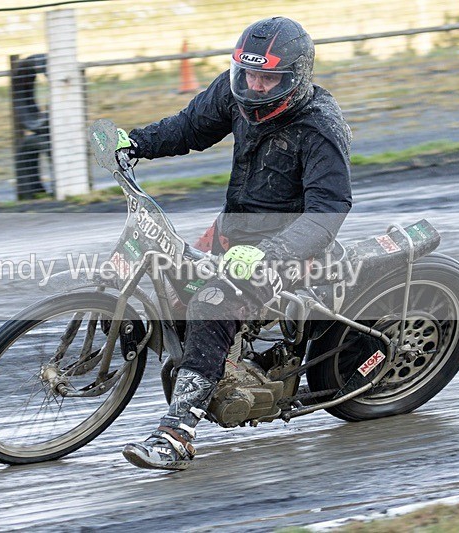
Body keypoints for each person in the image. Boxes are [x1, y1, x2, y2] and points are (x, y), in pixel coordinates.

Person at [118, 16, 353, 471]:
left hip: (293, 252)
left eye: (268, 78)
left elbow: (328, 212)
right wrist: (135, 143)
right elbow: (188, 128)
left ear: (296, 77)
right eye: (248, 73)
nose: (255, 85)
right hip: (234, 231)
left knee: (211, 301)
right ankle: (217, 361)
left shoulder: (320, 129)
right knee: (171, 274)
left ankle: (178, 432)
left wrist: (271, 253)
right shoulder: (236, 92)